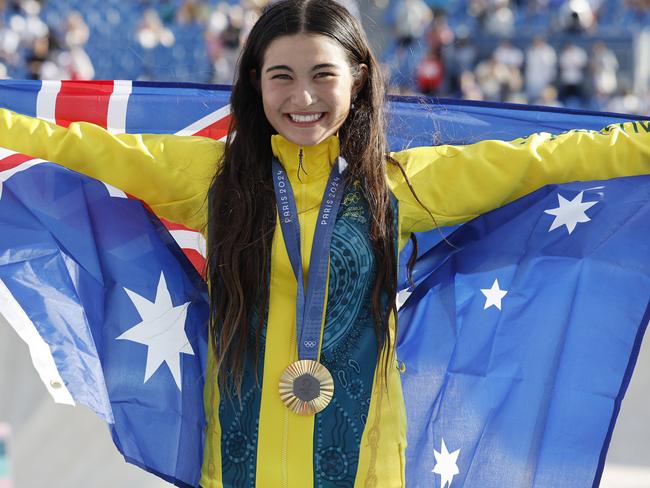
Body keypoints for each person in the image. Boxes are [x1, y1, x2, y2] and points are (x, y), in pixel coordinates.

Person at [0, 1, 648, 487]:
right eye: (281, 76)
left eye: (322, 75)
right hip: (238, 471)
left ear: (360, 77)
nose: (302, 97)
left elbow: (540, 160)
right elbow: (71, 145)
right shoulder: (207, 179)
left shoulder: (402, 186)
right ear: (255, 81)